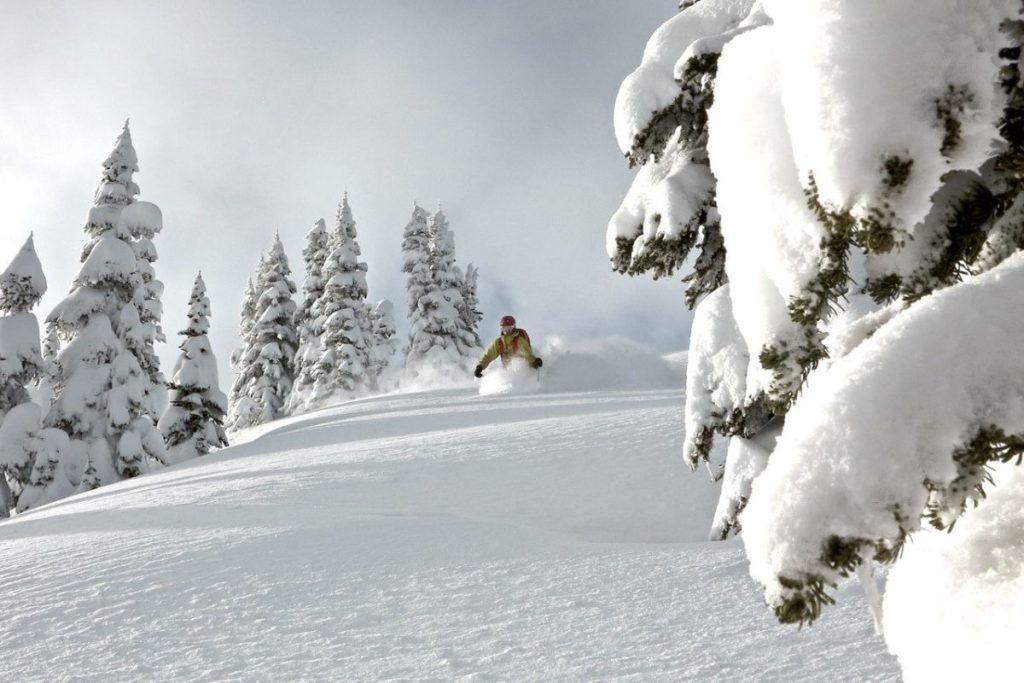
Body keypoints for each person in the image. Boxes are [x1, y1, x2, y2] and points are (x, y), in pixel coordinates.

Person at [474, 315, 543, 378]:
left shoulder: (519, 340)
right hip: (508, 373)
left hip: (522, 372)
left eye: (509, 328)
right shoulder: (498, 342)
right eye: (504, 328)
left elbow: (528, 354)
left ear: (514, 327)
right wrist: (480, 367)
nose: (506, 331)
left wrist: (534, 361)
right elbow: (488, 355)